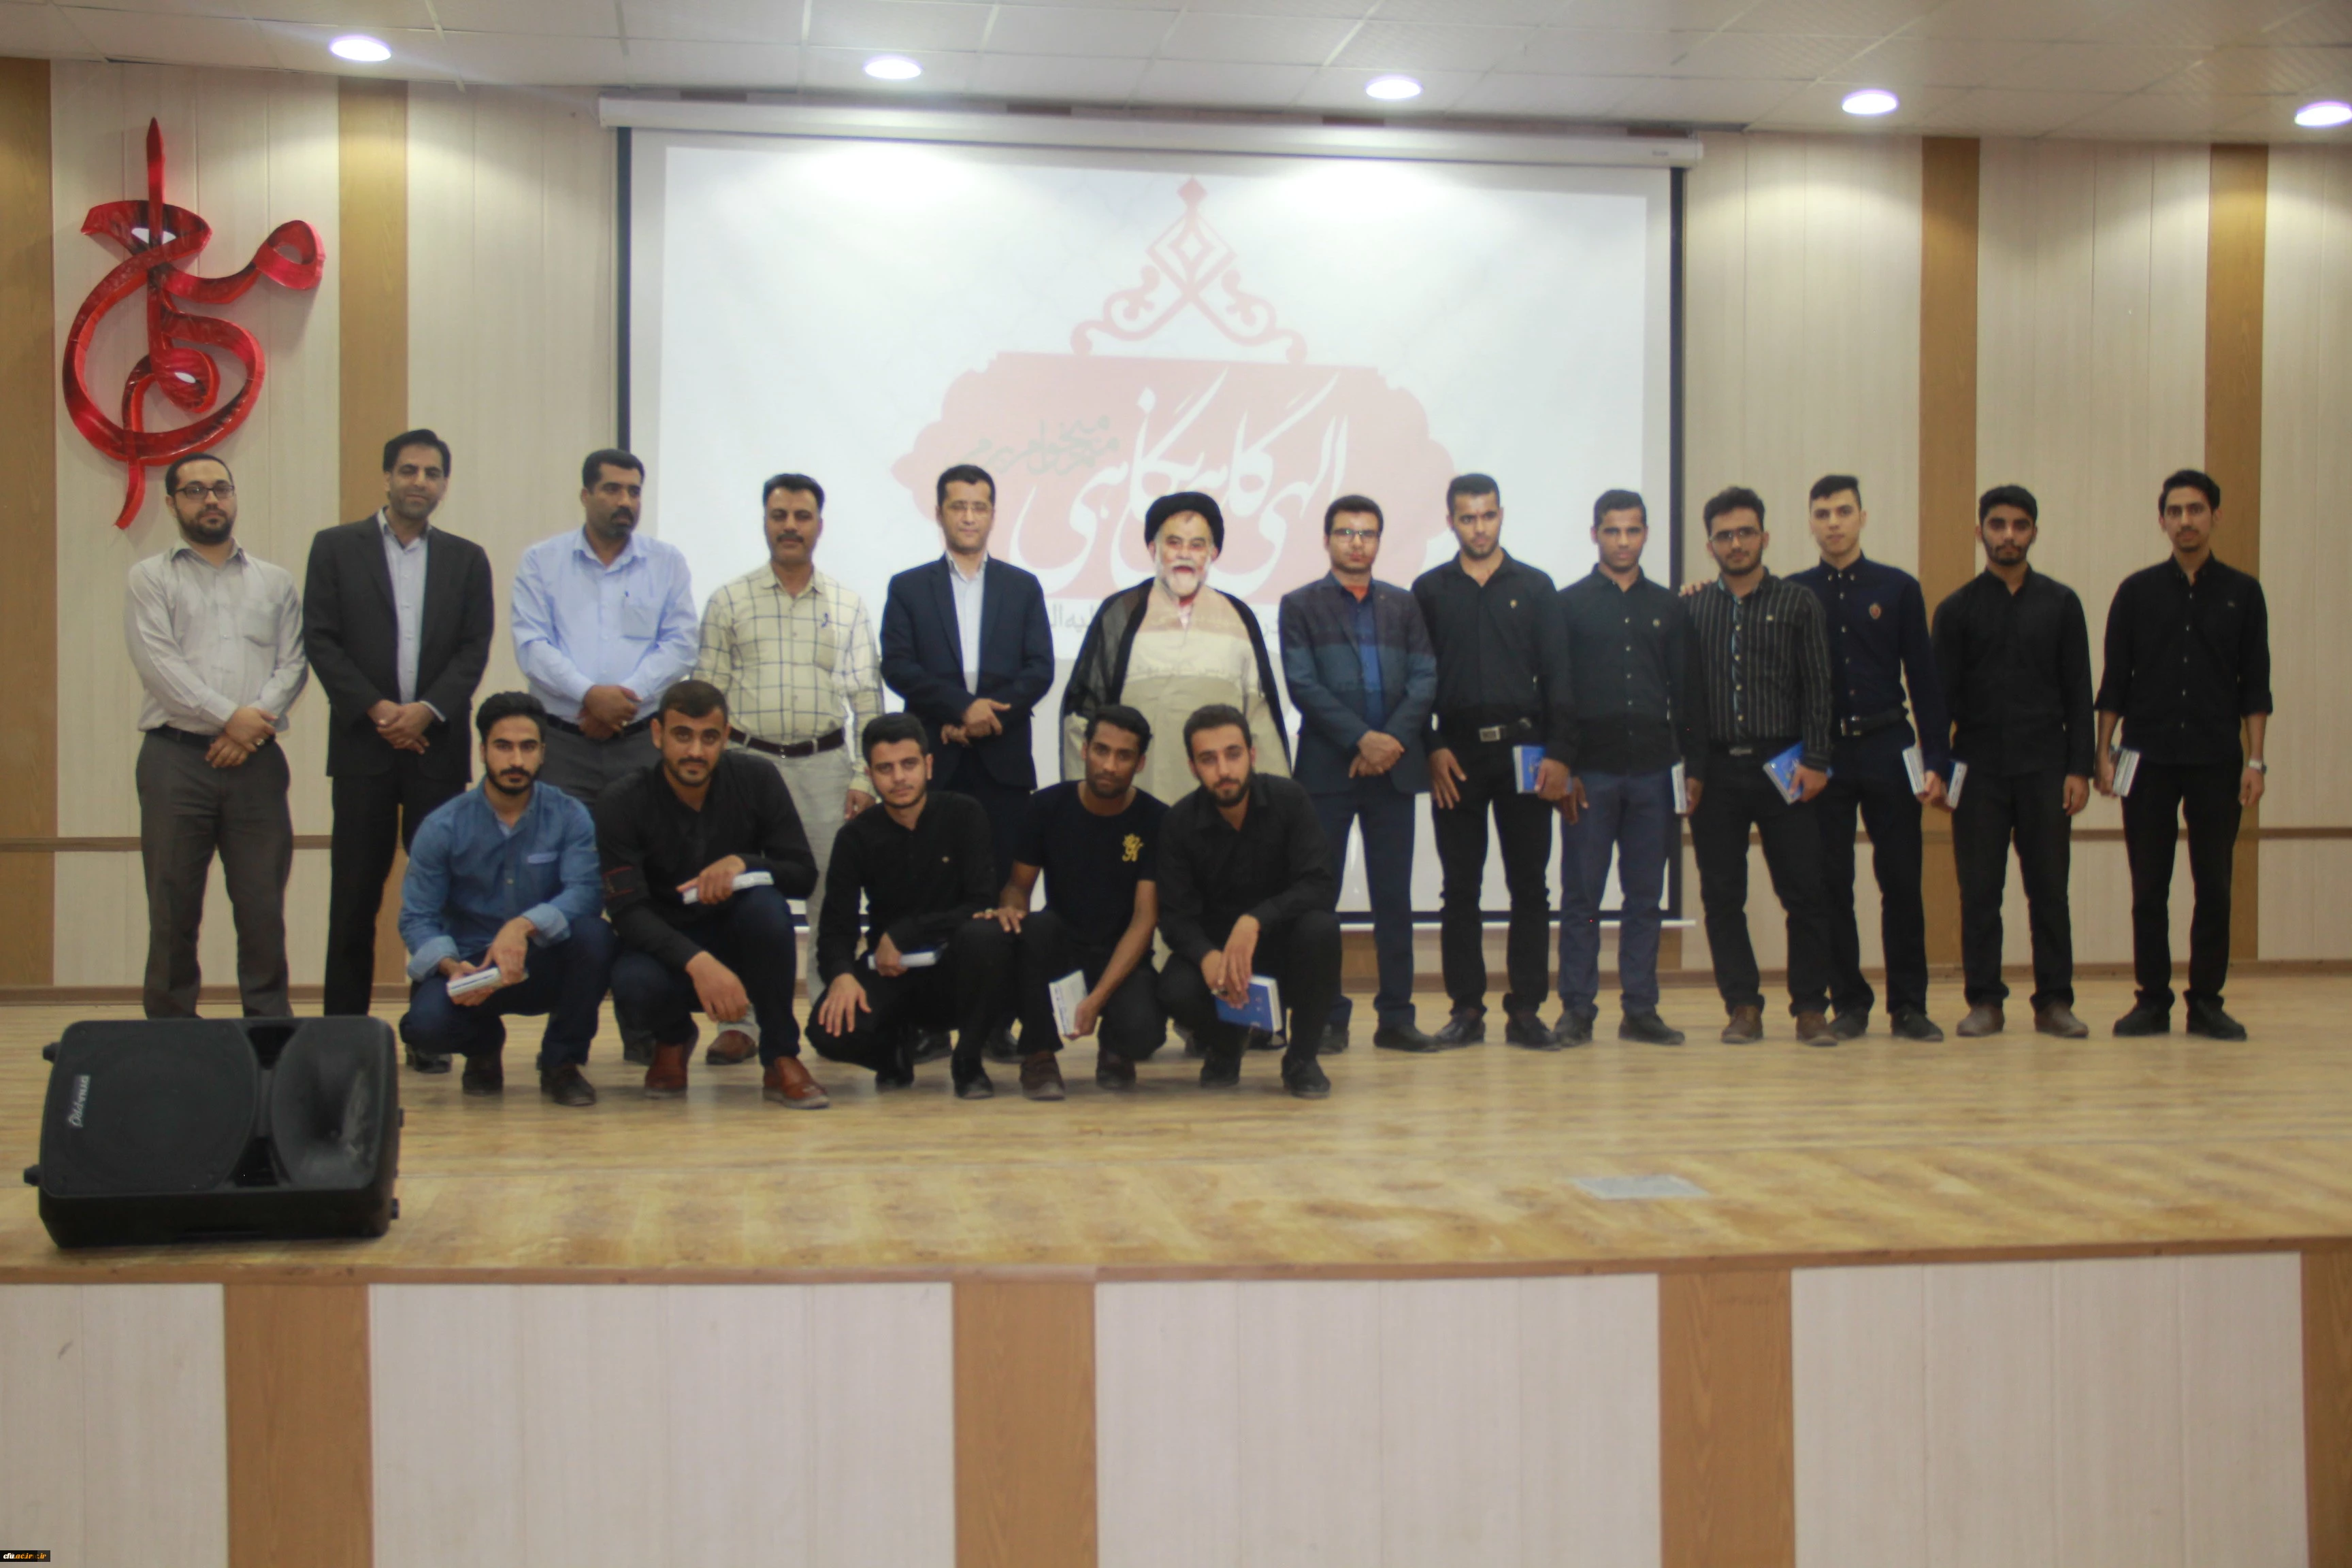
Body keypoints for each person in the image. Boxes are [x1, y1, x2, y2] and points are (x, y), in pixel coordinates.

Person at [303, 429, 495, 1049]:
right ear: (387, 477)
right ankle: (342, 1036)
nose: (420, 482)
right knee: (354, 897)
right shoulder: (336, 547)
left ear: (444, 484)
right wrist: (381, 710)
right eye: (409, 470)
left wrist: (426, 712)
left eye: (432, 473)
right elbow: (321, 639)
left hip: (436, 751)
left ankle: (429, 1032)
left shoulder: (467, 559)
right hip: (363, 748)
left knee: (438, 899)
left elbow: (473, 650)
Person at [512, 448, 698, 1066]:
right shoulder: (542, 562)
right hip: (564, 744)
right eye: (613, 489)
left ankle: (645, 1026)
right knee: (569, 885)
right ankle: (569, 1037)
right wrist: (589, 695)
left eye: (634, 491)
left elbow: (680, 643)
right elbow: (531, 644)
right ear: (586, 495)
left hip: (641, 742)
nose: (625, 502)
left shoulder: (666, 563)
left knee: (644, 884)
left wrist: (625, 699)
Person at [693, 472, 883, 1064]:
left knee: (831, 897)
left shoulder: (848, 604)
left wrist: (863, 775)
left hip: (825, 766)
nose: (791, 527)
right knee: (741, 895)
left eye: (802, 516)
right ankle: (741, 1023)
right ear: (765, 521)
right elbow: (707, 696)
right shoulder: (728, 600)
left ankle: (830, 1012)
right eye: (780, 516)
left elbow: (868, 700)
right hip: (745, 767)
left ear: (820, 526)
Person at [125, 451, 308, 1019]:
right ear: (172, 503)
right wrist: (232, 717)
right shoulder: (150, 578)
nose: (211, 500)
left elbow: (294, 664)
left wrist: (248, 729)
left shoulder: (274, 582)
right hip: (175, 760)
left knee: (262, 906)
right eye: (195, 490)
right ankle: (171, 1031)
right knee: (173, 906)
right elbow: (159, 666)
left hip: (257, 764)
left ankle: (268, 1032)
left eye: (221, 489)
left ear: (233, 497)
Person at [2095, 468, 2272, 1041]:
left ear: (2215, 516)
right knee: (2149, 887)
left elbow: (2256, 685)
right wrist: (2102, 753)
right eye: (2175, 511)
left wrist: (2256, 760)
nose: (2185, 521)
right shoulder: (2136, 592)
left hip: (2217, 758)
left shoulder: (2243, 593)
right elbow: (2114, 681)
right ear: (2162, 520)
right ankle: (2152, 1001)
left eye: (2195, 510)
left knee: (2213, 886)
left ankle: (2207, 1003)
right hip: (2144, 758)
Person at [598, 680, 826, 1106]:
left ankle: (781, 1056)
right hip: (667, 951)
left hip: (740, 942)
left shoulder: (757, 779)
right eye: (682, 735)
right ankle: (673, 1039)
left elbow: (802, 876)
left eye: (709, 738)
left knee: (767, 910)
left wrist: (745, 862)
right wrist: (699, 963)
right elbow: (627, 910)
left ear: (726, 737)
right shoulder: (623, 800)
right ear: (657, 734)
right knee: (631, 982)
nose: (696, 752)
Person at [1787, 474, 1952, 1043]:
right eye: (1822, 513)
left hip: (1889, 746)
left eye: (1843, 511)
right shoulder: (1794, 593)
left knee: (1901, 881)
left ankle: (1909, 1006)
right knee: (1832, 882)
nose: (1833, 523)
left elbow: (1924, 681)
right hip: (1824, 754)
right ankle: (1850, 1004)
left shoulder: (1898, 588)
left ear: (1862, 517)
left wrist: (1937, 759)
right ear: (1810, 523)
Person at [1411, 474, 1573, 1049]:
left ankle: (1526, 1010)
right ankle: (1466, 1010)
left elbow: (1559, 677)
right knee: (1460, 887)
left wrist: (1560, 755)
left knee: (1530, 885)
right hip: (1455, 755)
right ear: (1451, 522)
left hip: (1525, 752)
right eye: (1467, 518)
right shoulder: (1429, 590)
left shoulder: (1536, 586)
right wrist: (1430, 747)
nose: (1479, 528)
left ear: (1501, 515)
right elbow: (1415, 681)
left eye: (1487, 516)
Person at [1931, 485, 2094, 1040]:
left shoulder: (2062, 604)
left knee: (2049, 891)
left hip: (2046, 768)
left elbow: (2079, 693)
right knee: (1980, 892)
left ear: (2034, 533)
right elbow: (1939, 701)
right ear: (1980, 531)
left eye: (2020, 525)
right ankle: (1985, 1001)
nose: (2008, 535)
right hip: (1977, 771)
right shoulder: (1956, 610)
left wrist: (2079, 769)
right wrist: (1938, 770)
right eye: (1997, 525)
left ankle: (2054, 1001)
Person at [396, 692, 614, 1107]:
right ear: (483, 751)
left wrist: (522, 926)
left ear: (543, 753)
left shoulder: (569, 815)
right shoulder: (442, 827)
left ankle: (562, 1064)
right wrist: (449, 966)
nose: (516, 760)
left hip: (542, 960)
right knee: (424, 1029)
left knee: (595, 937)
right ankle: (483, 1046)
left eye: (528, 747)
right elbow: (417, 917)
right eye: (503, 746)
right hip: (471, 968)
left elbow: (586, 893)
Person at [1277, 494, 1439, 1053]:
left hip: (1393, 771)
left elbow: (1425, 678)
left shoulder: (1404, 605)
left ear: (1378, 541)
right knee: (1318, 903)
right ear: (1326, 540)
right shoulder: (1300, 605)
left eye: (1367, 533)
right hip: (1327, 771)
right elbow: (1303, 684)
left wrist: (1389, 742)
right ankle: (1326, 1016)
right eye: (1346, 532)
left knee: (1394, 900)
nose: (1357, 543)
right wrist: (1362, 739)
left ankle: (1396, 1017)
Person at [1683, 486, 1838, 1045]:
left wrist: (1817, 759)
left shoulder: (1798, 603)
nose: (1736, 543)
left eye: (1746, 532)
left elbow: (1819, 686)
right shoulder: (1693, 609)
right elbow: (1685, 699)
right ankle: (1743, 1006)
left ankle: (1810, 1008)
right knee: (1723, 897)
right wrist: (1690, 769)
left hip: (1786, 767)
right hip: (1716, 771)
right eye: (1724, 536)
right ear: (1710, 546)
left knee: (1805, 892)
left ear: (1764, 537)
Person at [1556, 489, 1702, 1047]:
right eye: (1612, 531)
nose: (1623, 541)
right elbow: (1557, 694)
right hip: (1589, 775)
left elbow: (1686, 695)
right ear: (1595, 534)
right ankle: (1577, 1009)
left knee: (1645, 898)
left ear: (1645, 534)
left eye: (1633, 530)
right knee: (1582, 899)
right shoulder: (1568, 606)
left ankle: (1641, 1008)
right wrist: (1564, 766)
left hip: (1654, 773)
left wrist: (1694, 768)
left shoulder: (1670, 607)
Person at [808, 715, 1015, 1100]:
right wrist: (841, 976)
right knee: (827, 1032)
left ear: (929, 765)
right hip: (891, 972)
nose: (899, 778)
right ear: (870, 775)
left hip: (956, 967)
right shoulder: (855, 837)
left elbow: (981, 901)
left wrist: (904, 933)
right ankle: (893, 1052)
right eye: (885, 769)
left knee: (987, 936)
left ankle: (968, 1060)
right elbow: (836, 927)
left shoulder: (964, 814)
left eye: (909, 764)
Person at [880, 462, 1055, 908]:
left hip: (1004, 761)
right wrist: (962, 708)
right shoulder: (908, 587)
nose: (970, 518)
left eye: (980, 508)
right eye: (959, 507)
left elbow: (1039, 669)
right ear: (939, 513)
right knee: (932, 890)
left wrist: (985, 719)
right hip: (934, 758)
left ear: (993, 514)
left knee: (1000, 893)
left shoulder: (1023, 587)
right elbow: (897, 665)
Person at [1059, 491, 1290, 807]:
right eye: (1174, 543)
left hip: (1222, 798)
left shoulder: (1238, 617)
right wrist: (1082, 799)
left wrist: (1275, 806)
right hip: (1135, 795)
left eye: (1197, 545)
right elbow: (1083, 714)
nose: (1184, 555)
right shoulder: (1121, 612)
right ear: (1153, 549)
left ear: (1213, 553)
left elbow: (1260, 717)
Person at [992, 705, 1169, 1098]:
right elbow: (1018, 887)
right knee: (1034, 929)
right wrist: (1012, 910)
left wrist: (1096, 999)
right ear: (1085, 749)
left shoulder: (1157, 820)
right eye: (1101, 750)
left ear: (1139, 763)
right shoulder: (1045, 807)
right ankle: (1038, 1058)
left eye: (1123, 756)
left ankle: (1116, 1049)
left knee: (1143, 1031)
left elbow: (1144, 920)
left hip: (1122, 954)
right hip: (1062, 951)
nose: (1109, 765)